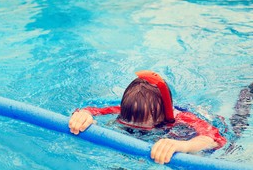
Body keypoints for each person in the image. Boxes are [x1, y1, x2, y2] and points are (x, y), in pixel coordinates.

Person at [68, 70, 227, 164]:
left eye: (143, 124)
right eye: (127, 119)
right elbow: (90, 110)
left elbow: (214, 139)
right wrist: (83, 115)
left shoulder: (184, 119)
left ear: (165, 116)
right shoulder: (120, 109)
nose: (133, 125)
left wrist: (183, 146)